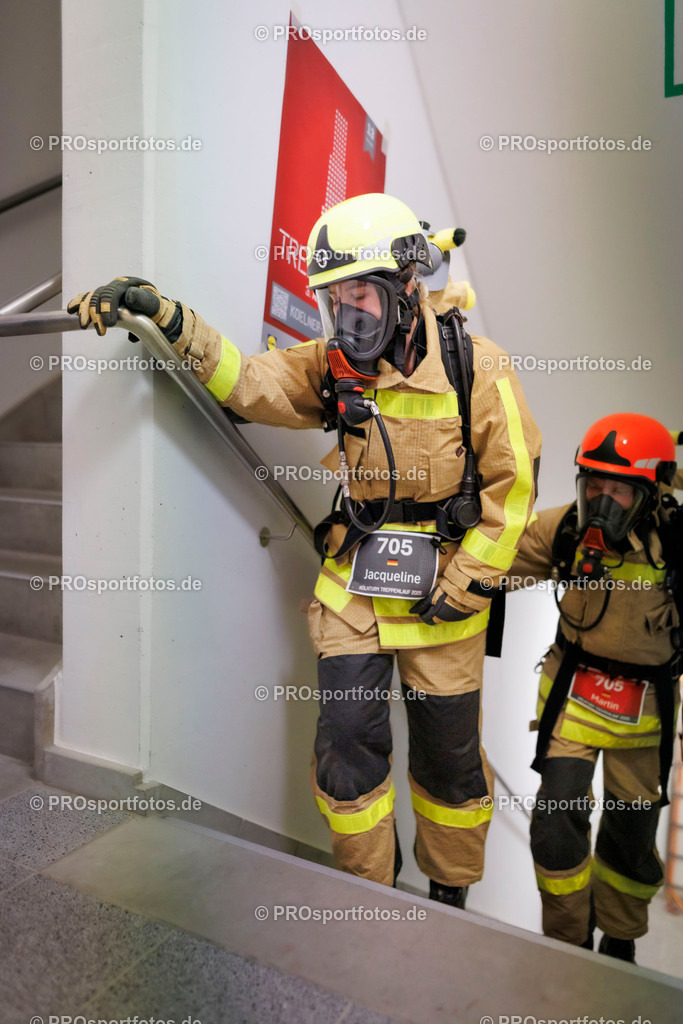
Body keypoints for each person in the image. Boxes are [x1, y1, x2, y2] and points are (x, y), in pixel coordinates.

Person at [68, 192, 542, 905]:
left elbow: (514, 488)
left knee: (449, 764)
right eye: (335, 301)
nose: (347, 319)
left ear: (408, 286)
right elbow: (251, 384)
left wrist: (466, 581)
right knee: (346, 747)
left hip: (444, 596)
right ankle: (369, 897)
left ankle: (451, 901)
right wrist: (169, 318)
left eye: (363, 298)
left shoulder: (479, 368)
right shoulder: (333, 363)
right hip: (355, 586)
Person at [508, 413, 682, 961]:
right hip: (572, 702)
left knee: (630, 840)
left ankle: (620, 942)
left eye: (620, 490)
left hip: (644, 717)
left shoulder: (675, 549)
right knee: (556, 824)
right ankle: (567, 940)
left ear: (650, 494)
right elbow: (490, 570)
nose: (602, 502)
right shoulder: (561, 531)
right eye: (594, 486)